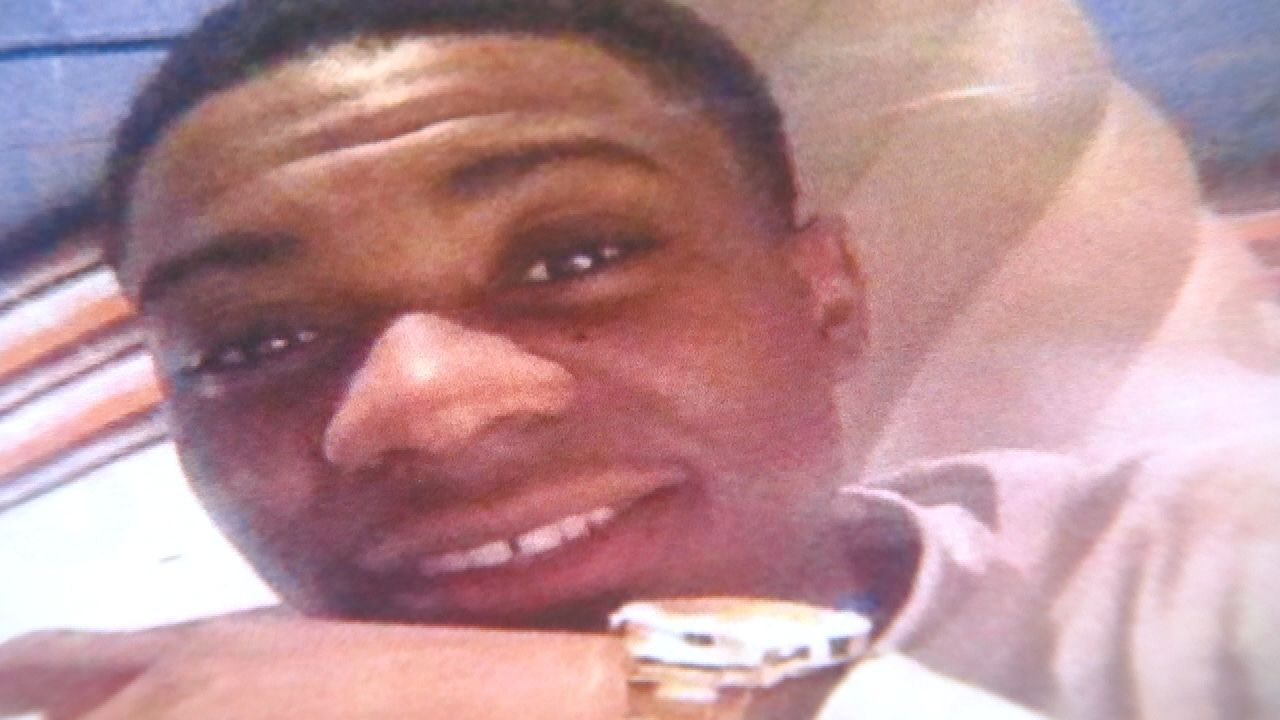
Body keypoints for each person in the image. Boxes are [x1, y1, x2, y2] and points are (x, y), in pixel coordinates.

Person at [1, 0, 1277, 718]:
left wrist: (623, 698)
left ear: (823, 296)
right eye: (254, 341)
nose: (423, 404)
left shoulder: (1204, 575)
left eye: (574, 255)